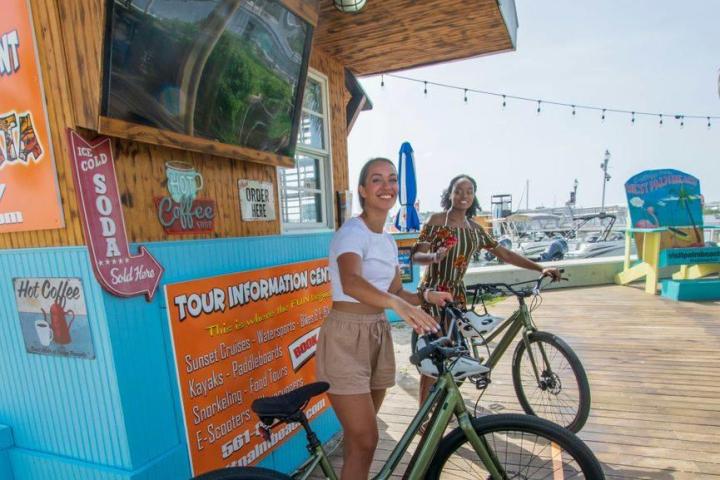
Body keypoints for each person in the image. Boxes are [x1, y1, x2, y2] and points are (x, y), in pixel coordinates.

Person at [315, 157, 453, 480]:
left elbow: (395, 290)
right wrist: (394, 302)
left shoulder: (388, 240)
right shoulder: (352, 232)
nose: (387, 186)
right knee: (367, 437)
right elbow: (351, 282)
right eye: (376, 179)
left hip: (377, 335)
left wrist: (426, 297)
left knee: (358, 441)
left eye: (392, 179)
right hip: (345, 339)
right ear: (363, 190)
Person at [412, 174, 562, 406]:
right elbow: (416, 256)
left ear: (474, 196)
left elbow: (505, 254)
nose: (464, 196)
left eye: (469, 191)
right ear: (449, 194)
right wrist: (433, 256)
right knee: (437, 355)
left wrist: (540, 268)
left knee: (454, 353)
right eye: (458, 191)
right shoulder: (436, 221)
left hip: (457, 296)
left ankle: (444, 402)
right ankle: (424, 413)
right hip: (434, 293)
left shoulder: (475, 229)